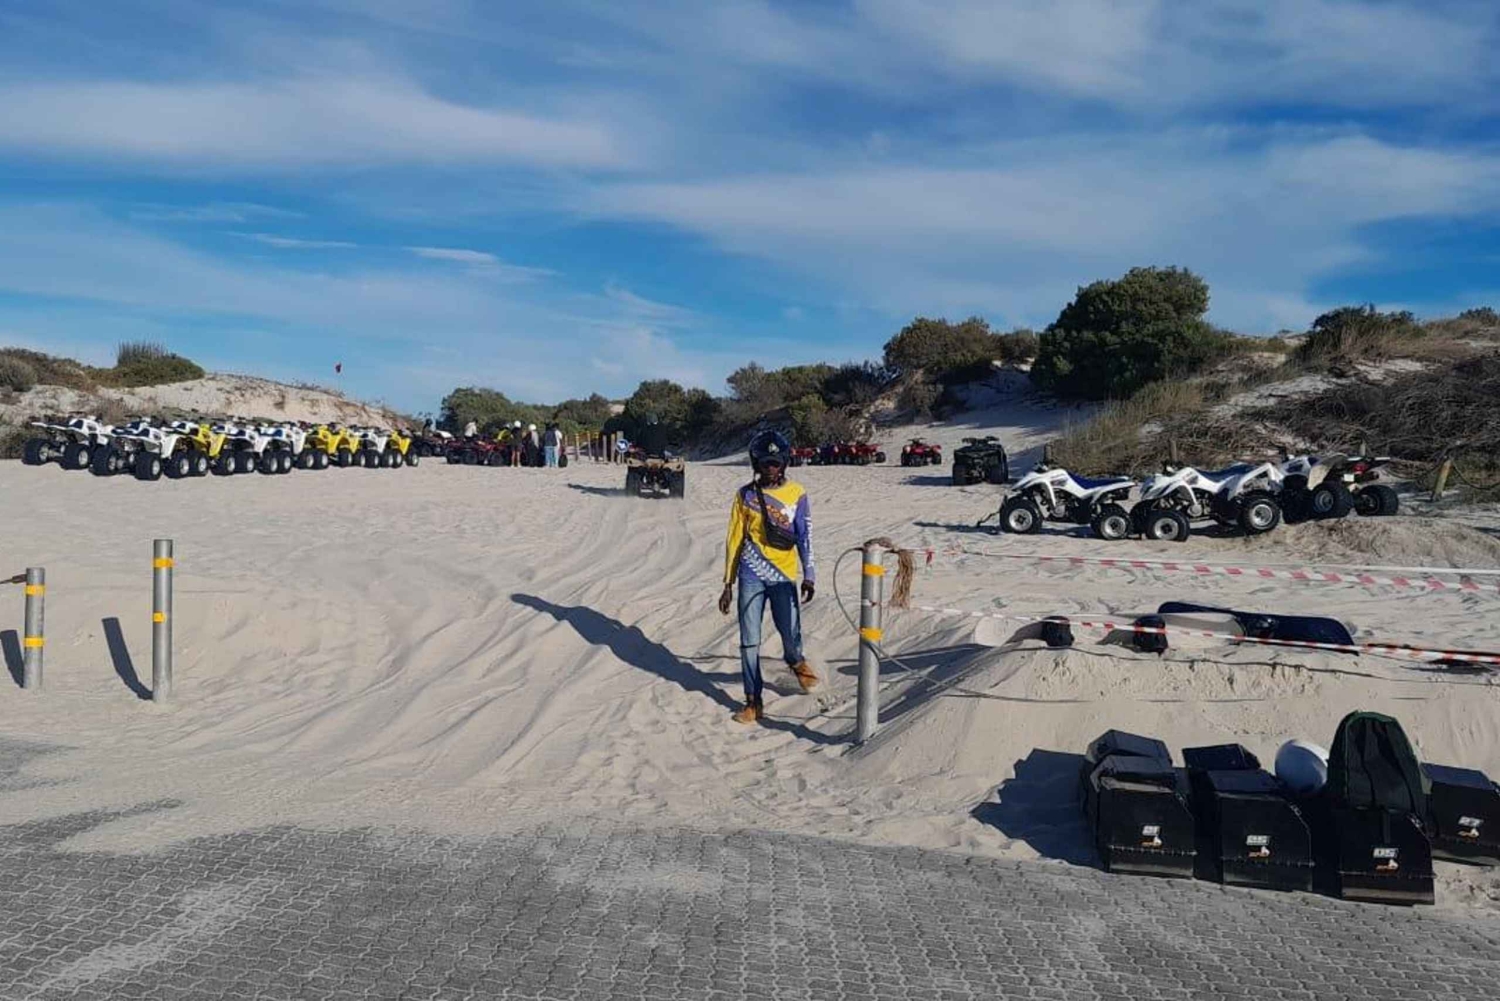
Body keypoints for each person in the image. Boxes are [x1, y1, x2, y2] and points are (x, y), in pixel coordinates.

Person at [718, 430, 818, 725]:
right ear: (756, 464)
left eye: (776, 463)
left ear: (784, 463)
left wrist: (809, 575)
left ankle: (796, 662)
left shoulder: (797, 493)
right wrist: (728, 583)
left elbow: (805, 536)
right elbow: (734, 539)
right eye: (765, 463)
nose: (771, 468)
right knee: (749, 641)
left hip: (784, 576)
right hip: (751, 575)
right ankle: (753, 701)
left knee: (789, 633)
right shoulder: (744, 496)